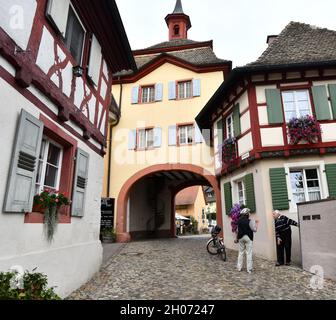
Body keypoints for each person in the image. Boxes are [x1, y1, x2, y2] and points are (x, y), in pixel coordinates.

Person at [237, 208, 259, 274]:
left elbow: (237, 230)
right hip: (248, 237)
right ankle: (249, 269)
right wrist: (257, 224)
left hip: (240, 237)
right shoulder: (250, 221)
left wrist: (237, 238)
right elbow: (254, 230)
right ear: (247, 214)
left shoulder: (239, 221)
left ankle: (239, 268)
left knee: (240, 252)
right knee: (248, 253)